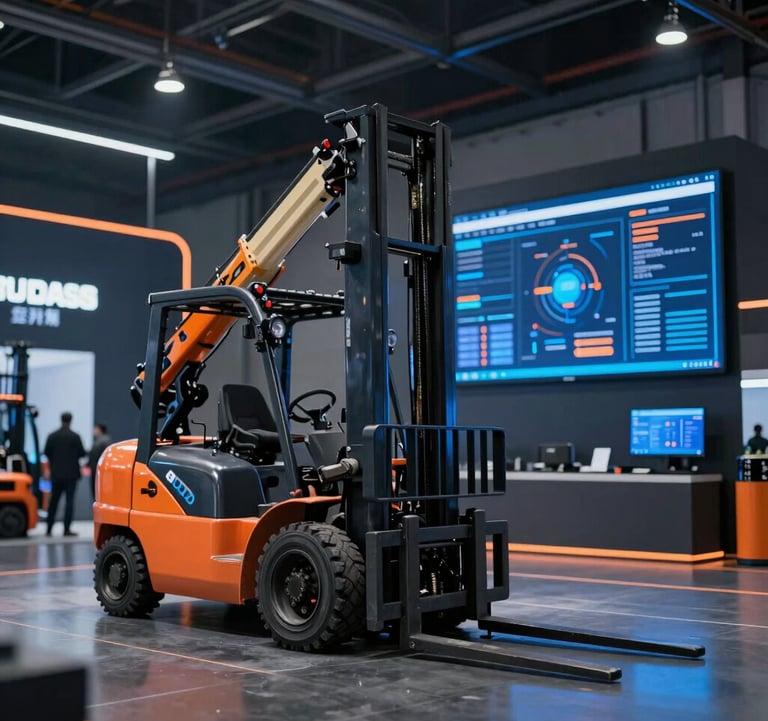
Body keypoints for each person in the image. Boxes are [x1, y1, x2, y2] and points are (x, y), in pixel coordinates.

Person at [43, 412, 86, 537]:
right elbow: (82, 453)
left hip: (56, 474)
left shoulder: (52, 436)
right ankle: (66, 529)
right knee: (69, 502)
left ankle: (49, 528)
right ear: (71, 420)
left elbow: (46, 452)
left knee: (53, 502)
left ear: (61, 420)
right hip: (71, 475)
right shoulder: (75, 436)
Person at [88, 422, 112, 499]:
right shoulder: (104, 440)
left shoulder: (102, 441)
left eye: (95, 429)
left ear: (99, 429)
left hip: (98, 470)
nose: (94, 430)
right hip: (97, 469)